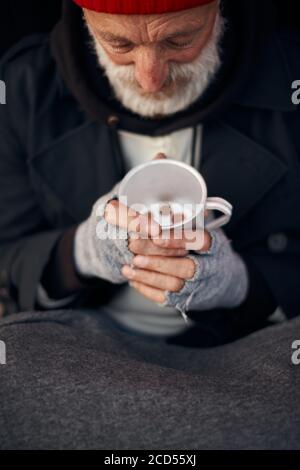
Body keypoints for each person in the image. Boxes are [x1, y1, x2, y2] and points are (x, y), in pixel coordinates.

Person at [0, 0, 299, 449]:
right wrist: (86, 250)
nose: (149, 79)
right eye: (119, 43)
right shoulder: (25, 86)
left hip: (247, 347)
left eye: (178, 40)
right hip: (80, 345)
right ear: (82, 19)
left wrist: (240, 283)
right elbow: (8, 256)